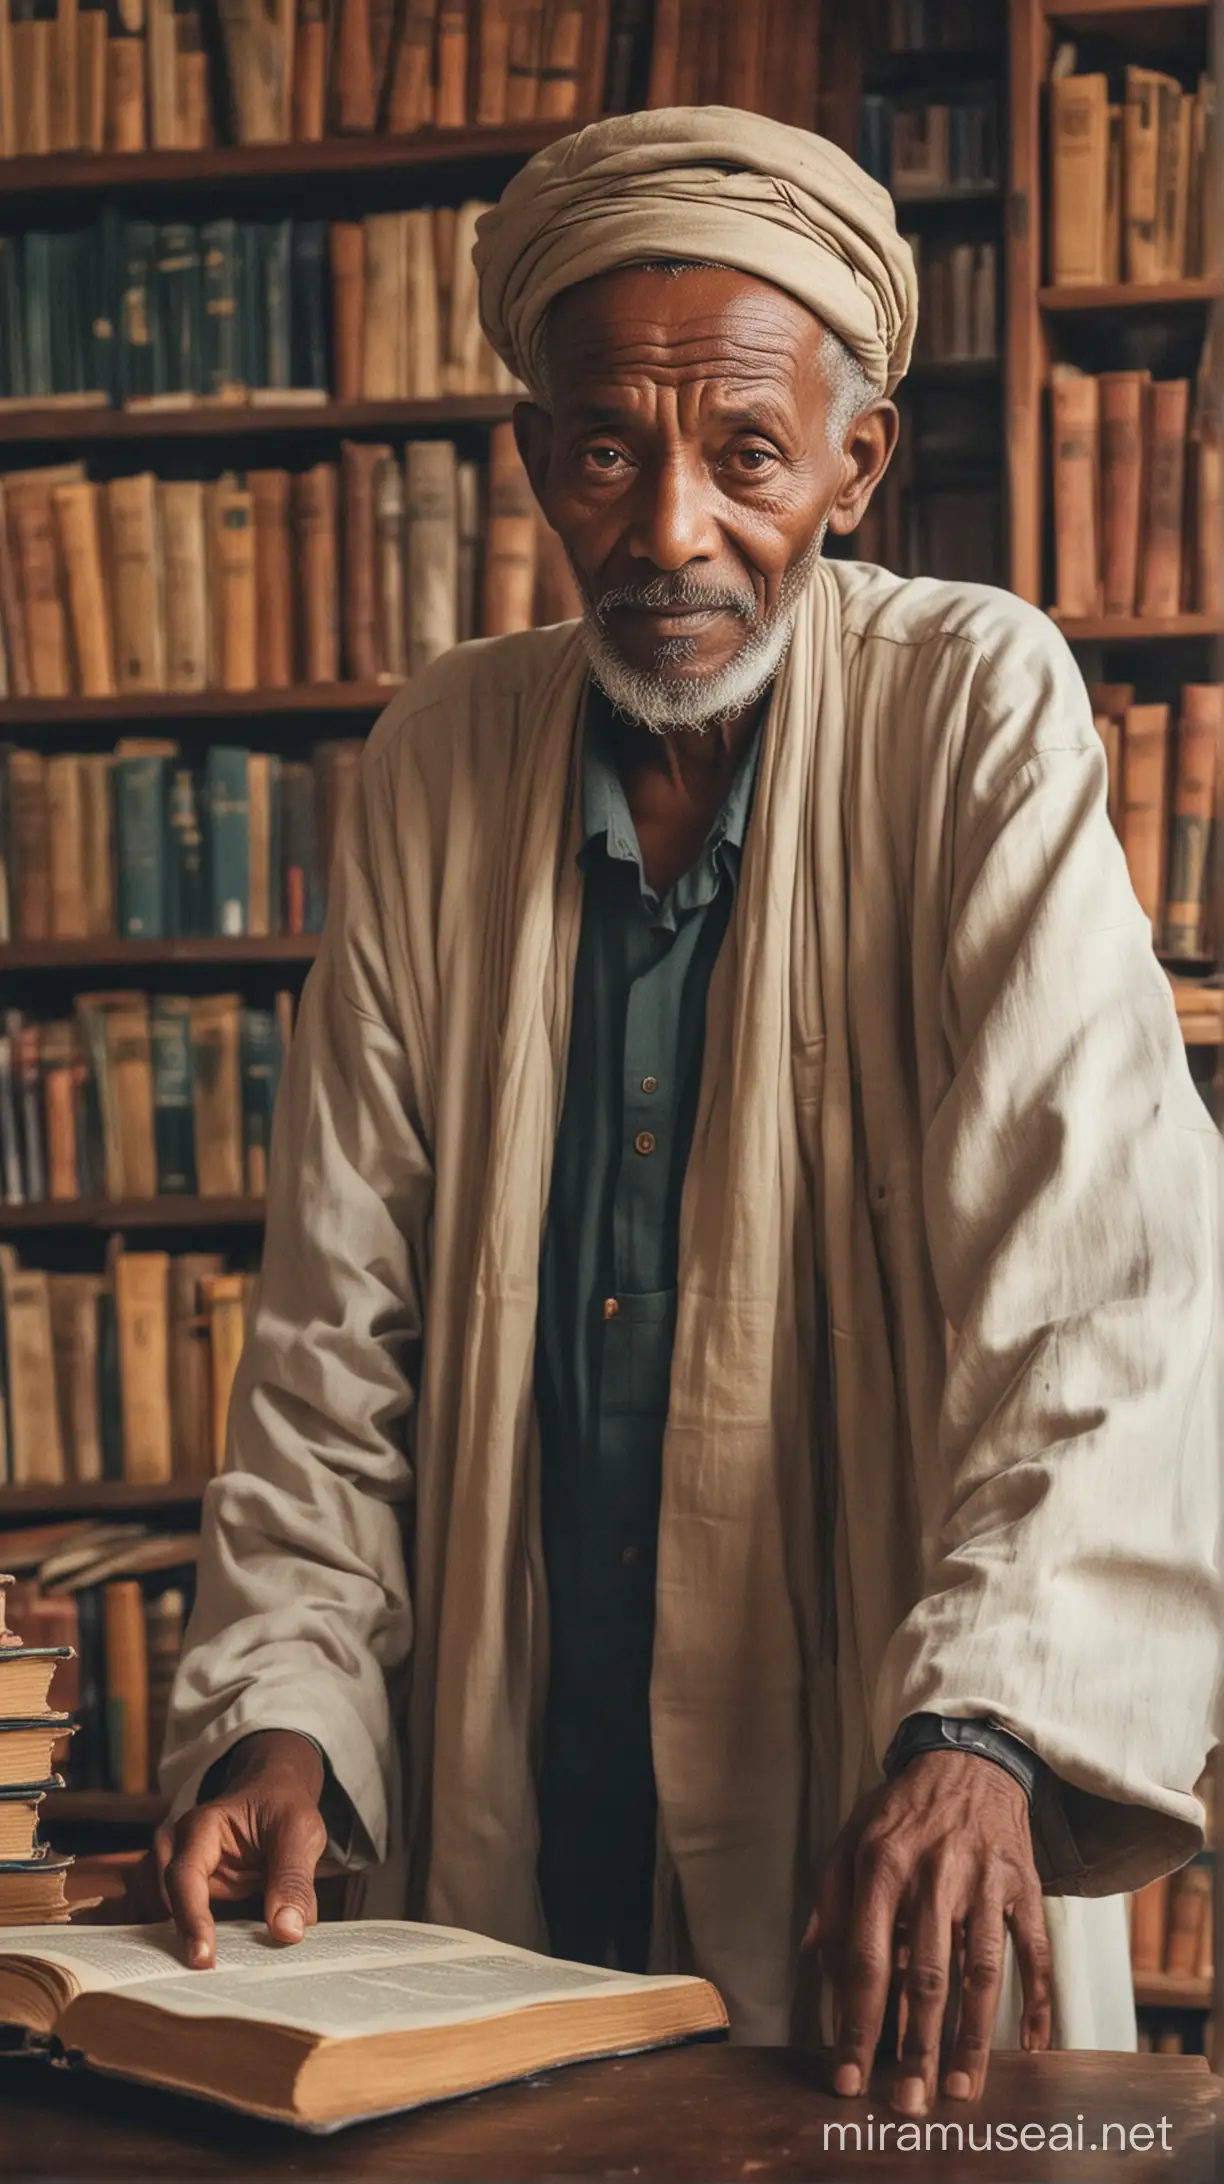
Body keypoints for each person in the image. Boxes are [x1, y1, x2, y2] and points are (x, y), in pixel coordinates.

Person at [143, 109, 1220, 2119]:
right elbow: (328, 1344)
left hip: (882, 1828)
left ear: (851, 466)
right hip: (498, 1812)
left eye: (744, 454)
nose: (668, 535)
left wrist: (985, 1731)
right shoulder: (436, 762)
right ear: (538, 453)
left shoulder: (975, 706)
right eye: (607, 450)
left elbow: (1110, 1290)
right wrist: (276, 1712)